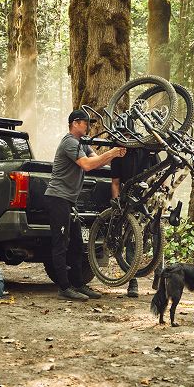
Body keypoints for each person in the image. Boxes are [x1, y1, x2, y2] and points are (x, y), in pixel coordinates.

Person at [44, 110, 126, 301]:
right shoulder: (69, 142)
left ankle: (78, 284)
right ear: (75, 123)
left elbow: (97, 162)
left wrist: (116, 154)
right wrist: (112, 153)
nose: (89, 126)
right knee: (60, 244)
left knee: (76, 243)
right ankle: (64, 287)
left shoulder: (82, 143)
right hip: (57, 198)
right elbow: (87, 165)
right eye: (86, 122)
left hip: (68, 200)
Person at [110, 147, 159, 298]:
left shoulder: (148, 149)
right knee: (131, 240)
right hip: (130, 199)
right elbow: (115, 183)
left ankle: (160, 276)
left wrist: (163, 194)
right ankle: (133, 282)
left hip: (150, 197)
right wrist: (117, 206)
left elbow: (160, 174)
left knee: (157, 237)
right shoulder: (118, 153)